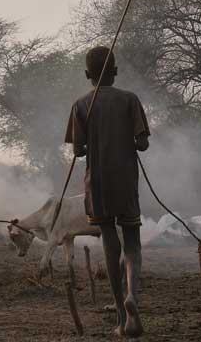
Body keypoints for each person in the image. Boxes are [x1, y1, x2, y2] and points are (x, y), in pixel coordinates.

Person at [64, 46, 150, 338]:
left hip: (97, 183)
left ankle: (122, 315)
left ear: (88, 75)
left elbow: (77, 150)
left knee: (110, 242)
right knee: (133, 244)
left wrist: (94, 145)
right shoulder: (130, 100)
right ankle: (132, 298)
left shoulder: (80, 105)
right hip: (125, 180)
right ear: (115, 71)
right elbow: (142, 144)